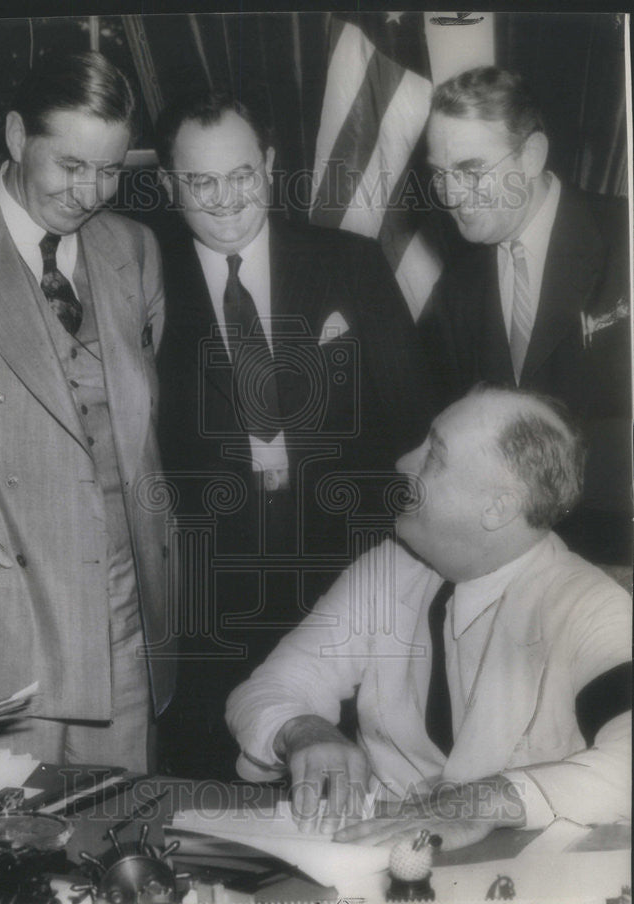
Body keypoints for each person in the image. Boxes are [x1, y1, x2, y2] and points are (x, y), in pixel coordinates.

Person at [151, 90, 435, 779]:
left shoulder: (350, 263)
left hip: (344, 571)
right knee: (216, 778)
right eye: (199, 181)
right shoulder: (140, 277)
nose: (224, 200)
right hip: (206, 590)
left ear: (270, 165)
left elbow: (409, 420)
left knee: (349, 781)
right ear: (167, 184)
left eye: (241, 175)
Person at [226, 385, 631, 851]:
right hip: (373, 860)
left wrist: (484, 801)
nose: (403, 462)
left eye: (433, 455)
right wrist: (303, 730)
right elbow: (266, 689)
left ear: (497, 508)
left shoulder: (589, 606)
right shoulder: (388, 570)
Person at [0, 51, 177, 772]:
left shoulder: (132, 250)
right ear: (16, 136)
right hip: (0, 611)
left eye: (109, 170)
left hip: (123, 609)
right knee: (2, 858)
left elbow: (134, 423)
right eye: (70, 165)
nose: (91, 191)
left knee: (122, 844)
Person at [422, 66, 631, 566]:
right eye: (439, 174)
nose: (450, 196)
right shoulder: (458, 284)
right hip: (517, 559)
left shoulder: (624, 237)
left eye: (471, 170)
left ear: (532, 156)